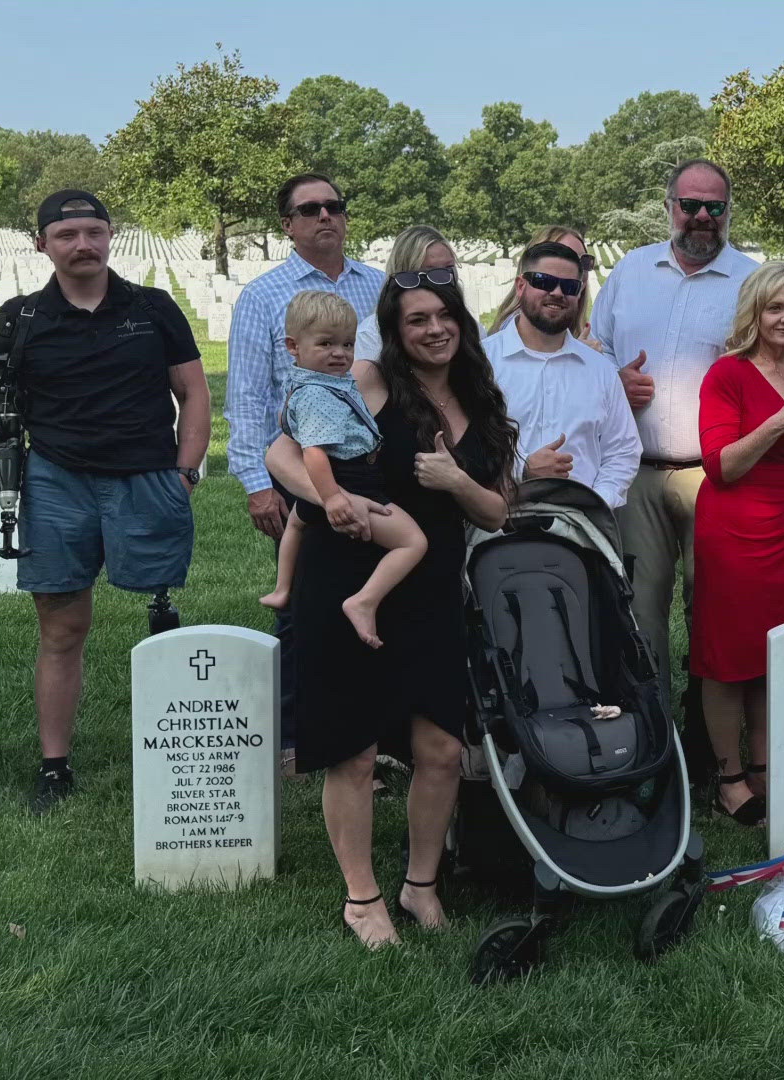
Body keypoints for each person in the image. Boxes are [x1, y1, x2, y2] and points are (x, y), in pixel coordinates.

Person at [266, 274, 514, 946]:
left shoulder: (482, 402)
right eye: (416, 320)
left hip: (428, 582)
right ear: (395, 332)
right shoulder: (368, 379)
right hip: (345, 570)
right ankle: (361, 897)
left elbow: (497, 510)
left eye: (444, 316)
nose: (434, 329)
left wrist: (457, 479)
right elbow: (280, 451)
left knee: (439, 746)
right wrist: (331, 503)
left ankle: (421, 884)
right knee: (354, 746)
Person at [4, 190, 209, 814]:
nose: (82, 244)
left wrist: (185, 472)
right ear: (43, 244)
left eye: (95, 232)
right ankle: (55, 765)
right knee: (61, 626)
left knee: (162, 614)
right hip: (56, 480)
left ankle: (178, 744)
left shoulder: (152, 308)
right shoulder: (20, 318)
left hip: (146, 475)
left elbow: (193, 392)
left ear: (111, 236)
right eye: (67, 236)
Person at [589, 157, 758, 778]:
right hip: (635, 469)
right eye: (691, 205)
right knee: (642, 611)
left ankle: (715, 751)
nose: (703, 218)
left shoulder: (750, 279)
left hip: (717, 477)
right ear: (670, 208)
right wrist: (615, 379)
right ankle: (655, 747)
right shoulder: (632, 271)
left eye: (715, 207)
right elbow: (594, 353)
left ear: (728, 211)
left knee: (713, 613)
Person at [227, 174, 387, 761]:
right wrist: (257, 485)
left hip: (372, 469)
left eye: (334, 207)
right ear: (288, 225)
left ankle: (379, 729)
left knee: (378, 596)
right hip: (301, 470)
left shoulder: (379, 286)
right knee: (306, 610)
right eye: (309, 209)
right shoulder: (263, 297)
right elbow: (246, 397)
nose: (325, 216)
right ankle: (299, 736)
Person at [691, 261, 784, 823]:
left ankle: (766, 768)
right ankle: (728, 778)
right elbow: (721, 465)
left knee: (778, 656)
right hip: (734, 528)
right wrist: (776, 423)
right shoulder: (725, 375)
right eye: (776, 307)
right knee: (728, 658)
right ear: (755, 312)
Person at [258, 291, 427, 648]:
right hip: (352, 479)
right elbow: (315, 454)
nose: (340, 353)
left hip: (337, 478)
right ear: (293, 345)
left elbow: (286, 422)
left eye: (348, 343)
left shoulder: (310, 380)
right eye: (326, 343)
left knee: (297, 523)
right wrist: (334, 497)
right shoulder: (320, 395)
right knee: (412, 541)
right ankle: (364, 601)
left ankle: (282, 587)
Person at [483, 240, 639, 508]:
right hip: (498, 524)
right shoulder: (482, 362)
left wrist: (596, 502)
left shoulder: (599, 369)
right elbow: (466, 444)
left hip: (580, 526)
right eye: (543, 281)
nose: (556, 293)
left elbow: (622, 450)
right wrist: (521, 471)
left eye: (569, 287)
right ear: (521, 286)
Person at [357, 225, 460, 361]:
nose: (443, 280)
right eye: (431, 272)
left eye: (449, 269)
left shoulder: (469, 327)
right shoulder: (370, 336)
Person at [489, 225, 596, 340]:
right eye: (565, 256)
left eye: (584, 261)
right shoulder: (516, 326)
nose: (576, 268)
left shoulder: (574, 326)